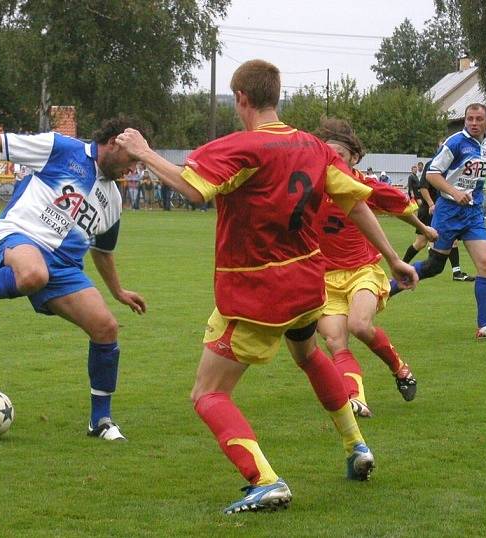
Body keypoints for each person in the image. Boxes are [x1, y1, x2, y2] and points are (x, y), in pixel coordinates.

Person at [116, 59, 418, 514]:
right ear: (275, 96)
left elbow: (194, 189)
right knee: (309, 355)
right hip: (306, 284)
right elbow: (356, 204)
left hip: (258, 294)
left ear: (241, 98)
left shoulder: (242, 147)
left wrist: (143, 151)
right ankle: (357, 445)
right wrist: (393, 258)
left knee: (207, 393)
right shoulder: (316, 148)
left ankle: (266, 480)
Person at [0, 116, 147, 441]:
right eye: (133, 159)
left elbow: (102, 251)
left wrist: (118, 291)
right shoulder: (61, 148)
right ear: (115, 143)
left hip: (64, 270)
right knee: (34, 273)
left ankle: (100, 421)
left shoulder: (114, 202)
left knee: (105, 327)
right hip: (19, 237)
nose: (133, 169)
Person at [313, 118, 438, 417]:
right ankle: (355, 398)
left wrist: (423, 227)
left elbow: (398, 205)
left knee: (359, 325)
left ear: (354, 158)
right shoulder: (310, 187)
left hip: (362, 271)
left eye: (339, 156)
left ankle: (399, 367)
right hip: (321, 278)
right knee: (335, 340)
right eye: (326, 155)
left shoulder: (362, 186)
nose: (332, 161)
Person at [390, 103, 486, 340]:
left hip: (473, 213)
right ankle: (383, 290)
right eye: (470, 119)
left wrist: (477, 196)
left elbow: (477, 178)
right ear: (465, 120)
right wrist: (454, 193)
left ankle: (485, 326)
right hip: (449, 211)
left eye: (478, 119)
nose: (473, 123)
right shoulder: (455, 142)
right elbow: (432, 174)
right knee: (434, 267)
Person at [402, 150, 475, 282]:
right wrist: (431, 204)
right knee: (420, 243)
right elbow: (423, 187)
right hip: (431, 210)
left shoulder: (452, 167)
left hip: (443, 211)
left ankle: (457, 272)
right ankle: (401, 266)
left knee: (452, 239)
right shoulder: (432, 164)